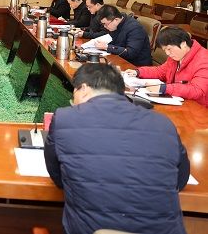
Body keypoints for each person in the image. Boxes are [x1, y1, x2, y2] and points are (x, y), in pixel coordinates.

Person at [44, 63, 190, 234]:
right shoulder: (163, 123)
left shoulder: (65, 118)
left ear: (83, 89)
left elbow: (58, 177)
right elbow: (180, 180)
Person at [126, 26, 208, 107]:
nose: (167, 53)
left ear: (183, 44)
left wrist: (165, 88)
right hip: (178, 101)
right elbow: (161, 71)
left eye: (169, 49)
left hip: (198, 108)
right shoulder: (176, 56)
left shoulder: (204, 60)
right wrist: (138, 72)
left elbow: (198, 90)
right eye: (165, 50)